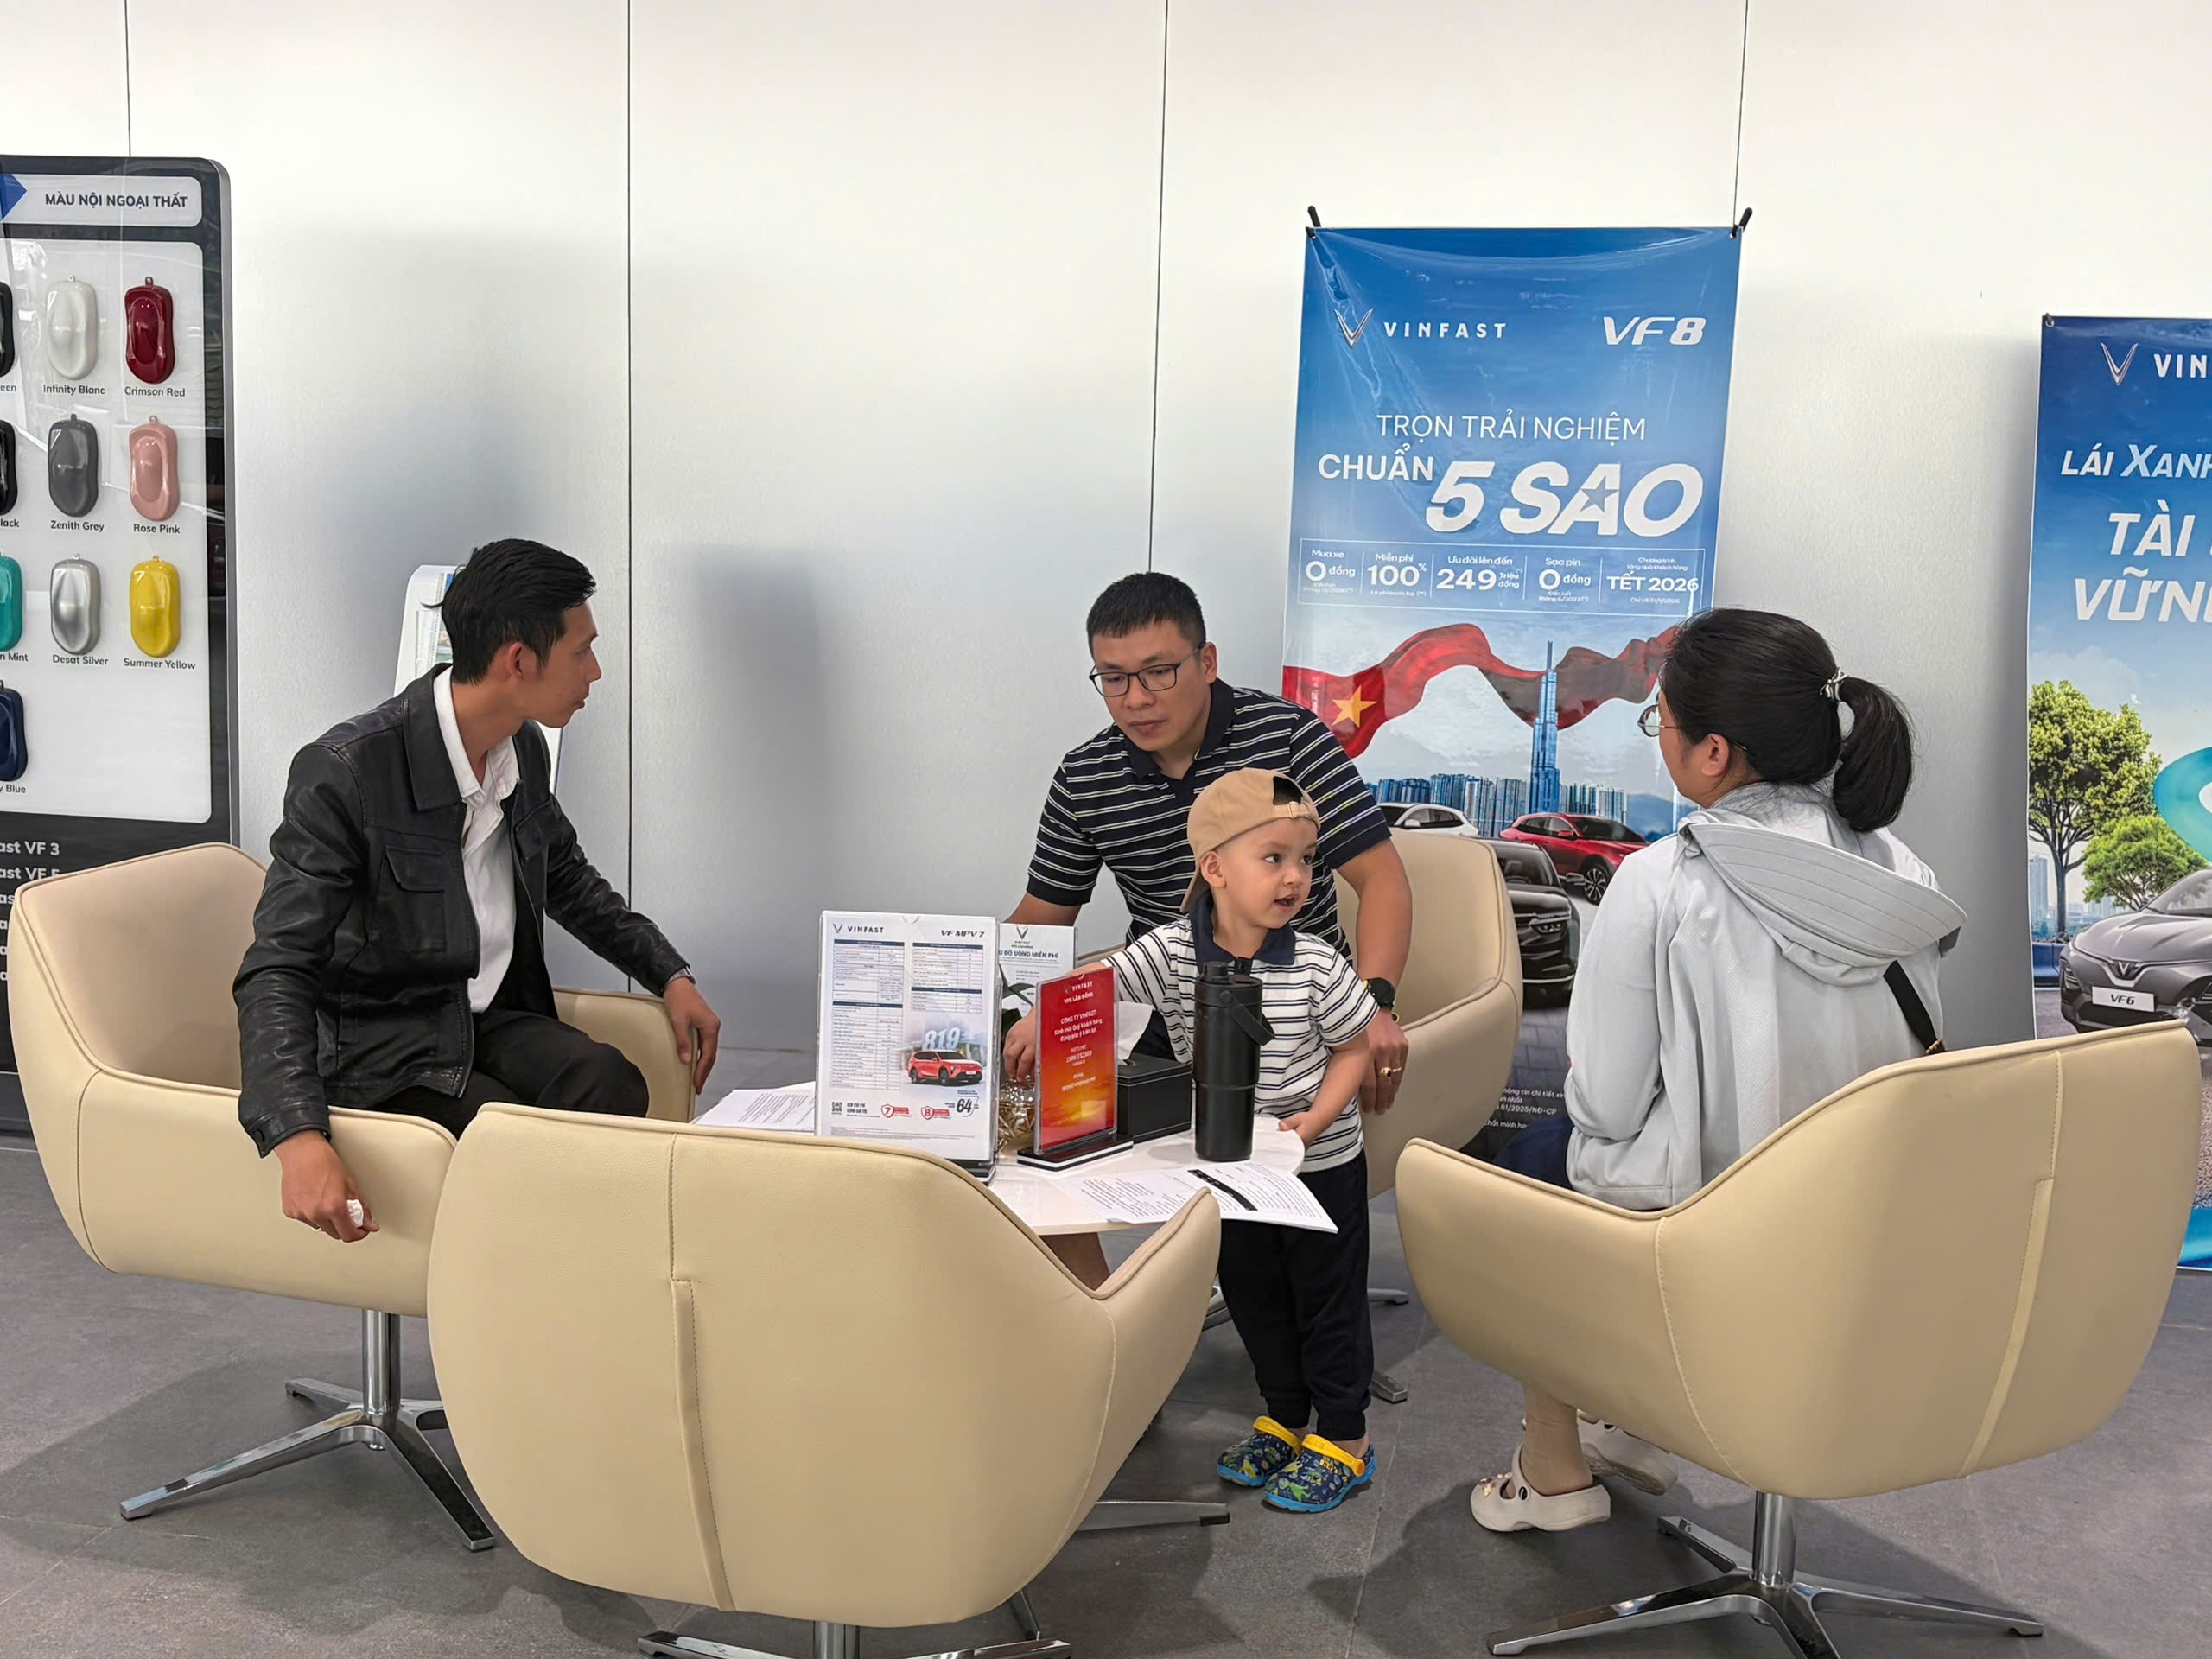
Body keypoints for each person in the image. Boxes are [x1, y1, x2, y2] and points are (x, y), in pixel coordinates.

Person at [1466, 607, 1965, 1533]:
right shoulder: (1906, 873)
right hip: (1874, 1224)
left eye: (1658, 721)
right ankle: (1623, 1419)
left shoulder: (1663, 880)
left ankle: (1553, 1469)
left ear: (1713, 753)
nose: (1658, 737)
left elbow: (1607, 1109)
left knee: (1520, 1175)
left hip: (1717, 1222)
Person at [234, 539, 723, 1244]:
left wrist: (669, 973)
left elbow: (566, 877)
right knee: (506, 1134)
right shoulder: (347, 772)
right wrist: (295, 1134)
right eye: (582, 651)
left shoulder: (519, 747)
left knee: (607, 1081)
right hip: (381, 1044)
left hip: (483, 1019)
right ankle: (526, 1291)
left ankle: (583, 1274)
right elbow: (277, 967)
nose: (595, 671)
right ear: (517, 660)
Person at [1006, 572, 1414, 1286]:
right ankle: (1110, 1318)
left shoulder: (1287, 740)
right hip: (1169, 1008)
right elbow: (1042, 917)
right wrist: (953, 982)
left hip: (1294, 1006)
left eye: (1158, 672)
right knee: (1018, 1118)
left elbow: (1382, 880)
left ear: (1207, 662)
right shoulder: (1086, 777)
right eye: (1113, 679)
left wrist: (1376, 1000)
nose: (1136, 698)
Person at [1043, 768, 1381, 1513]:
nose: (1295, 878)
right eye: (1274, 858)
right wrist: (1045, 1014)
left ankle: (1346, 1437)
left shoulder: (1317, 962)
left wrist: (1315, 1122)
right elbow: (1102, 981)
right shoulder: (1171, 951)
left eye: (1305, 860)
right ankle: (1286, 1419)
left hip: (1318, 1167)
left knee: (1326, 1300)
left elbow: (1354, 1049)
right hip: (1228, 1168)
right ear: (1216, 868)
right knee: (1255, 1296)